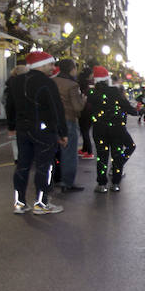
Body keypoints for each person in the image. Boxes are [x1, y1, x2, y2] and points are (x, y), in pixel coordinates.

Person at [6, 51, 68, 214]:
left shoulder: (15, 82)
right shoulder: (47, 83)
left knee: (22, 166)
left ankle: (19, 203)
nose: (53, 68)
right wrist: (62, 132)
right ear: (41, 65)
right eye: (50, 64)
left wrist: (11, 126)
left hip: (22, 129)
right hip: (44, 130)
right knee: (44, 166)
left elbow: (10, 106)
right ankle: (41, 203)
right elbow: (57, 109)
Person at [88, 66, 138, 192]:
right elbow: (126, 106)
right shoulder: (114, 91)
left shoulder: (91, 93)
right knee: (117, 154)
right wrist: (136, 111)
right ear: (107, 78)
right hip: (116, 128)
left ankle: (101, 184)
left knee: (102, 156)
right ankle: (115, 182)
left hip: (99, 128)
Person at [52, 59, 87, 192]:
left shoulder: (52, 81)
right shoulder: (72, 85)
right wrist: (83, 100)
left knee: (54, 152)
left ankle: (54, 179)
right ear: (72, 69)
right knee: (69, 153)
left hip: (53, 120)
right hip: (68, 120)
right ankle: (67, 182)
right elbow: (77, 107)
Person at [76, 65, 95, 159]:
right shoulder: (90, 84)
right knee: (85, 131)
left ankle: (87, 150)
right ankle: (87, 150)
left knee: (84, 130)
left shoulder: (80, 83)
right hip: (89, 110)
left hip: (83, 109)